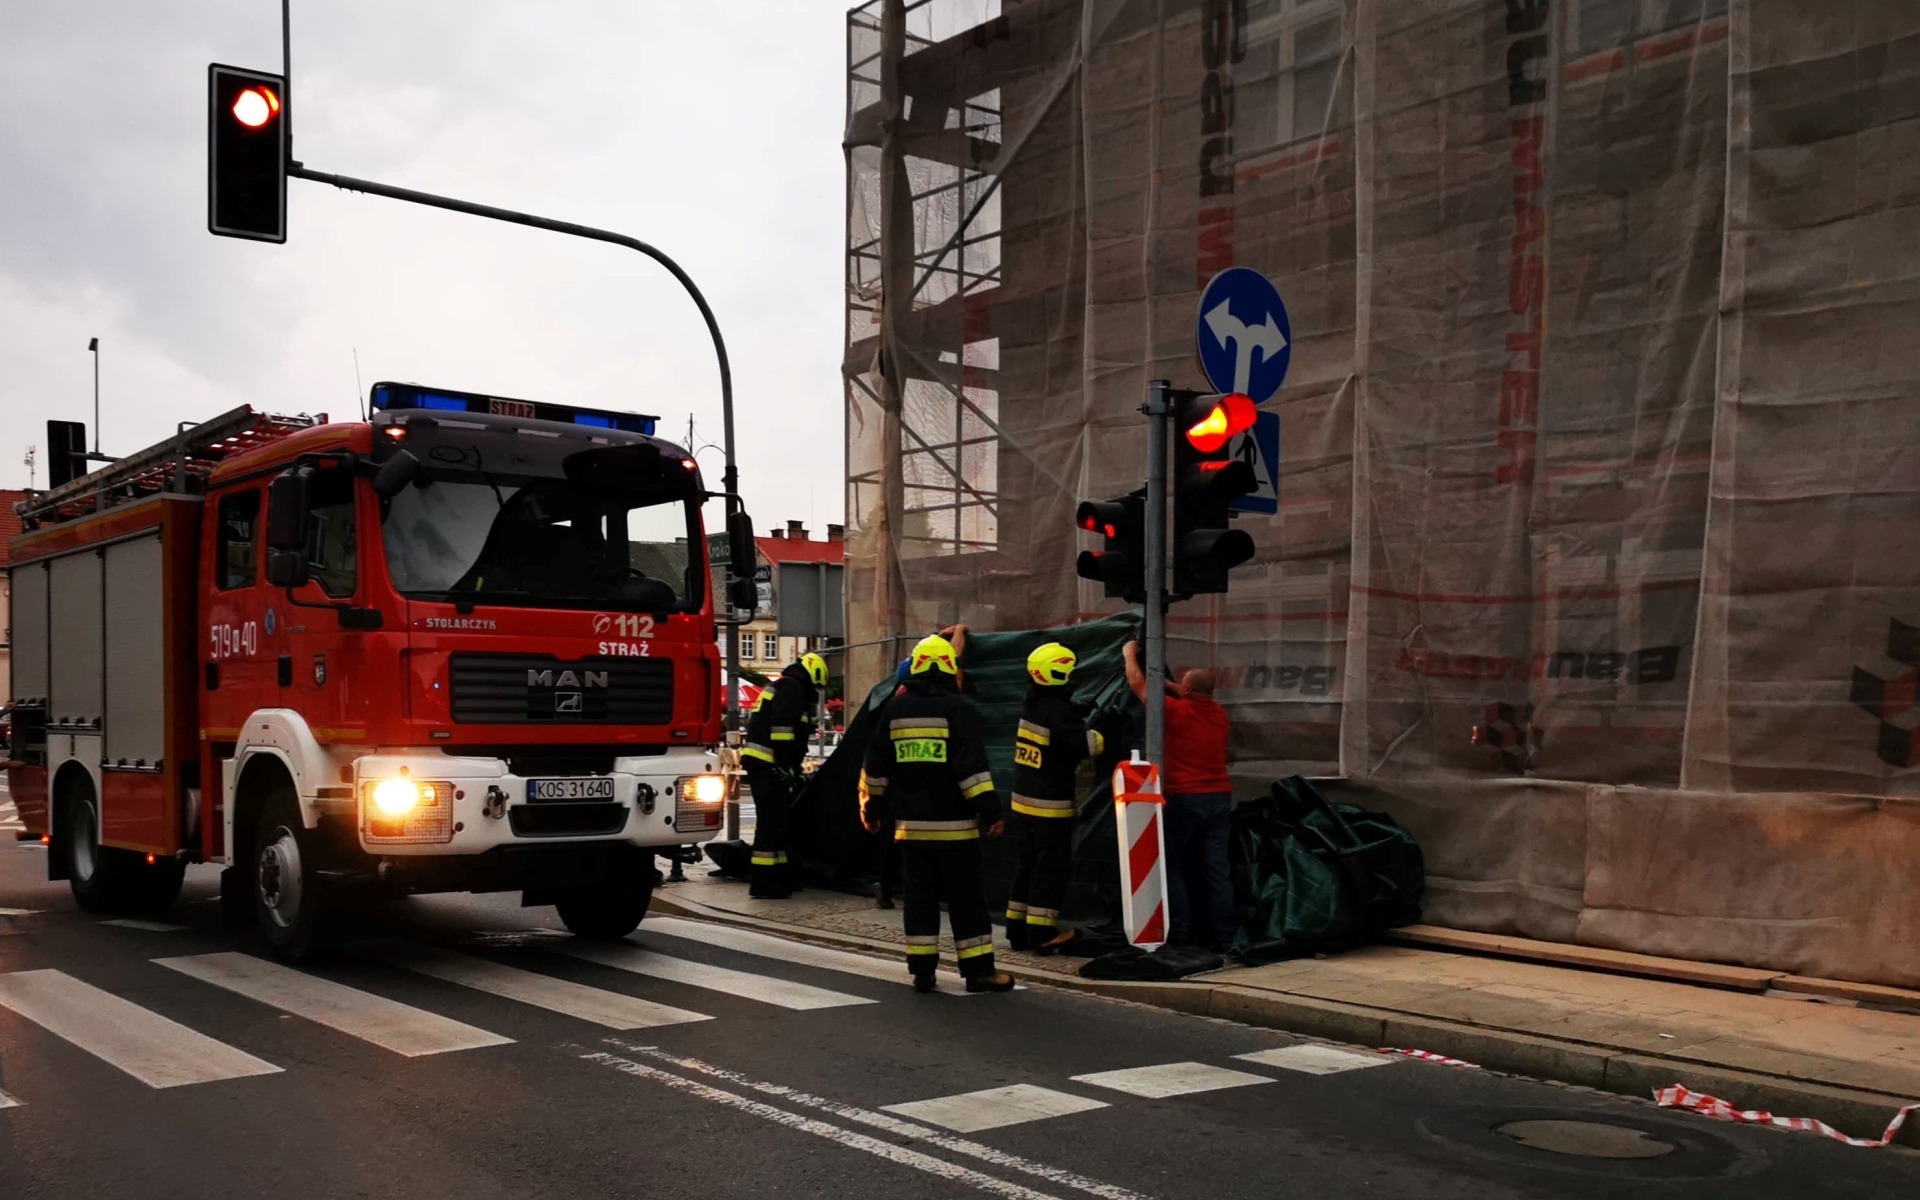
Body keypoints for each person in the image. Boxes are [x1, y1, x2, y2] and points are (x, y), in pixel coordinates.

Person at [858, 633, 1016, 993]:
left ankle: (923, 971)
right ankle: (978, 973)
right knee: (966, 901)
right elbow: (971, 770)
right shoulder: (958, 709)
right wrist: (991, 813)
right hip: (955, 829)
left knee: (919, 899)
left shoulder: (895, 710)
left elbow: (877, 767)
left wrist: (873, 809)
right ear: (949, 668)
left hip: (911, 829)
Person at [1124, 640, 1235, 952]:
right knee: (1217, 871)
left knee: (1172, 866)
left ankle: (1180, 934)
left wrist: (1129, 654)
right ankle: (1226, 937)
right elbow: (1187, 691)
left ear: (1185, 691)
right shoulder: (1219, 715)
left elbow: (1137, 685)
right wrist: (1175, 684)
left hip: (1185, 798)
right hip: (1219, 797)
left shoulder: (1176, 712)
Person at [1004, 642, 1104, 954]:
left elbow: (1051, 733)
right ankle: (1041, 932)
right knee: (1051, 870)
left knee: (1028, 866)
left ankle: (1017, 930)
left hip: (1024, 804)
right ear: (1057, 673)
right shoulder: (1058, 711)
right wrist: (1104, 730)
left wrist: (1074, 713)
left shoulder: (1033, 705)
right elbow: (1082, 746)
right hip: (1050, 808)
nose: (1073, 678)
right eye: (1069, 672)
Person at [875, 624, 968, 910]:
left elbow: (876, 761)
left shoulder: (897, 702)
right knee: (932, 849)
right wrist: (960, 630)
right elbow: (955, 659)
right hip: (934, 790)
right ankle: (933, 893)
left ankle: (887, 889)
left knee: (894, 839)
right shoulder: (946, 702)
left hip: (900, 785)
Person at [740, 650, 828, 899]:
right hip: (768, 763)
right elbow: (782, 730)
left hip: (765, 763)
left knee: (777, 823)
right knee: (771, 824)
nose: (816, 692)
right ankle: (763, 883)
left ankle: (779, 878)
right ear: (814, 674)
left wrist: (792, 768)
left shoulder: (785, 685)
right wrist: (785, 766)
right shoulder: (792, 688)